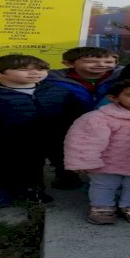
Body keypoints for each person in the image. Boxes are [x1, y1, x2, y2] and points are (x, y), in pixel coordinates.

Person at [0, 54, 85, 208]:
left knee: (34, 163)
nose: (35, 73)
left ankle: (31, 188)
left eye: (41, 69)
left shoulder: (57, 91)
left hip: (43, 138)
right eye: (23, 70)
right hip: (1, 140)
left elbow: (73, 113)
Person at [64, 79, 130, 225]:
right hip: (107, 161)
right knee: (104, 184)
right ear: (114, 97)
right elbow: (85, 140)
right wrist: (84, 161)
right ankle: (102, 207)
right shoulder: (99, 117)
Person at [46, 47, 121, 189]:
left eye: (108, 61)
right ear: (69, 63)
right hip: (68, 120)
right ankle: (66, 174)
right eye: (91, 61)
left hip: (110, 121)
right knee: (62, 148)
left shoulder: (122, 76)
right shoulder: (52, 79)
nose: (101, 65)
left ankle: (109, 177)